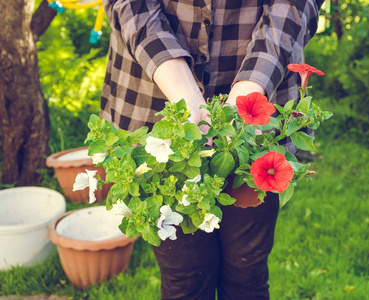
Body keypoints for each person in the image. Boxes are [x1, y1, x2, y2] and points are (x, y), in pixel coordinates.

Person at [100, 0, 324, 299]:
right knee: (185, 277)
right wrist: (184, 94)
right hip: (154, 93)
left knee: (247, 272)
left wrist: (246, 99)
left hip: (260, 104)